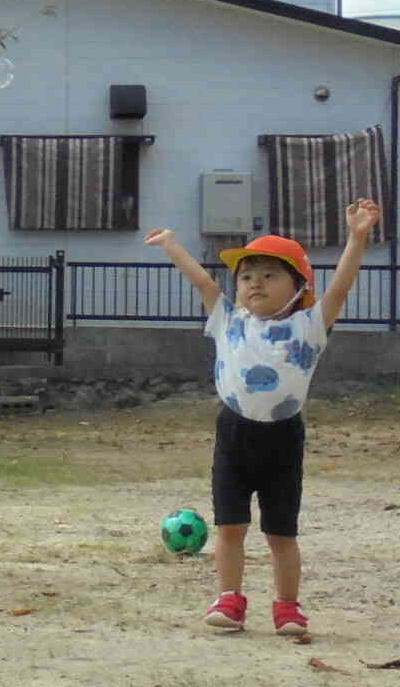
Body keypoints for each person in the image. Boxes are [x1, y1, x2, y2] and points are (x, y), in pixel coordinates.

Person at [144, 198, 383, 641]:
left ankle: (288, 607)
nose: (255, 283)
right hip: (234, 434)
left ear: (298, 287)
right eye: (247, 276)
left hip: (283, 440)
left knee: (280, 533)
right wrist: (174, 245)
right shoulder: (228, 319)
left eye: (270, 275)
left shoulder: (310, 326)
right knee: (230, 526)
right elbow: (201, 281)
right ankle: (229, 599)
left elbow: (341, 289)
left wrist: (357, 238)